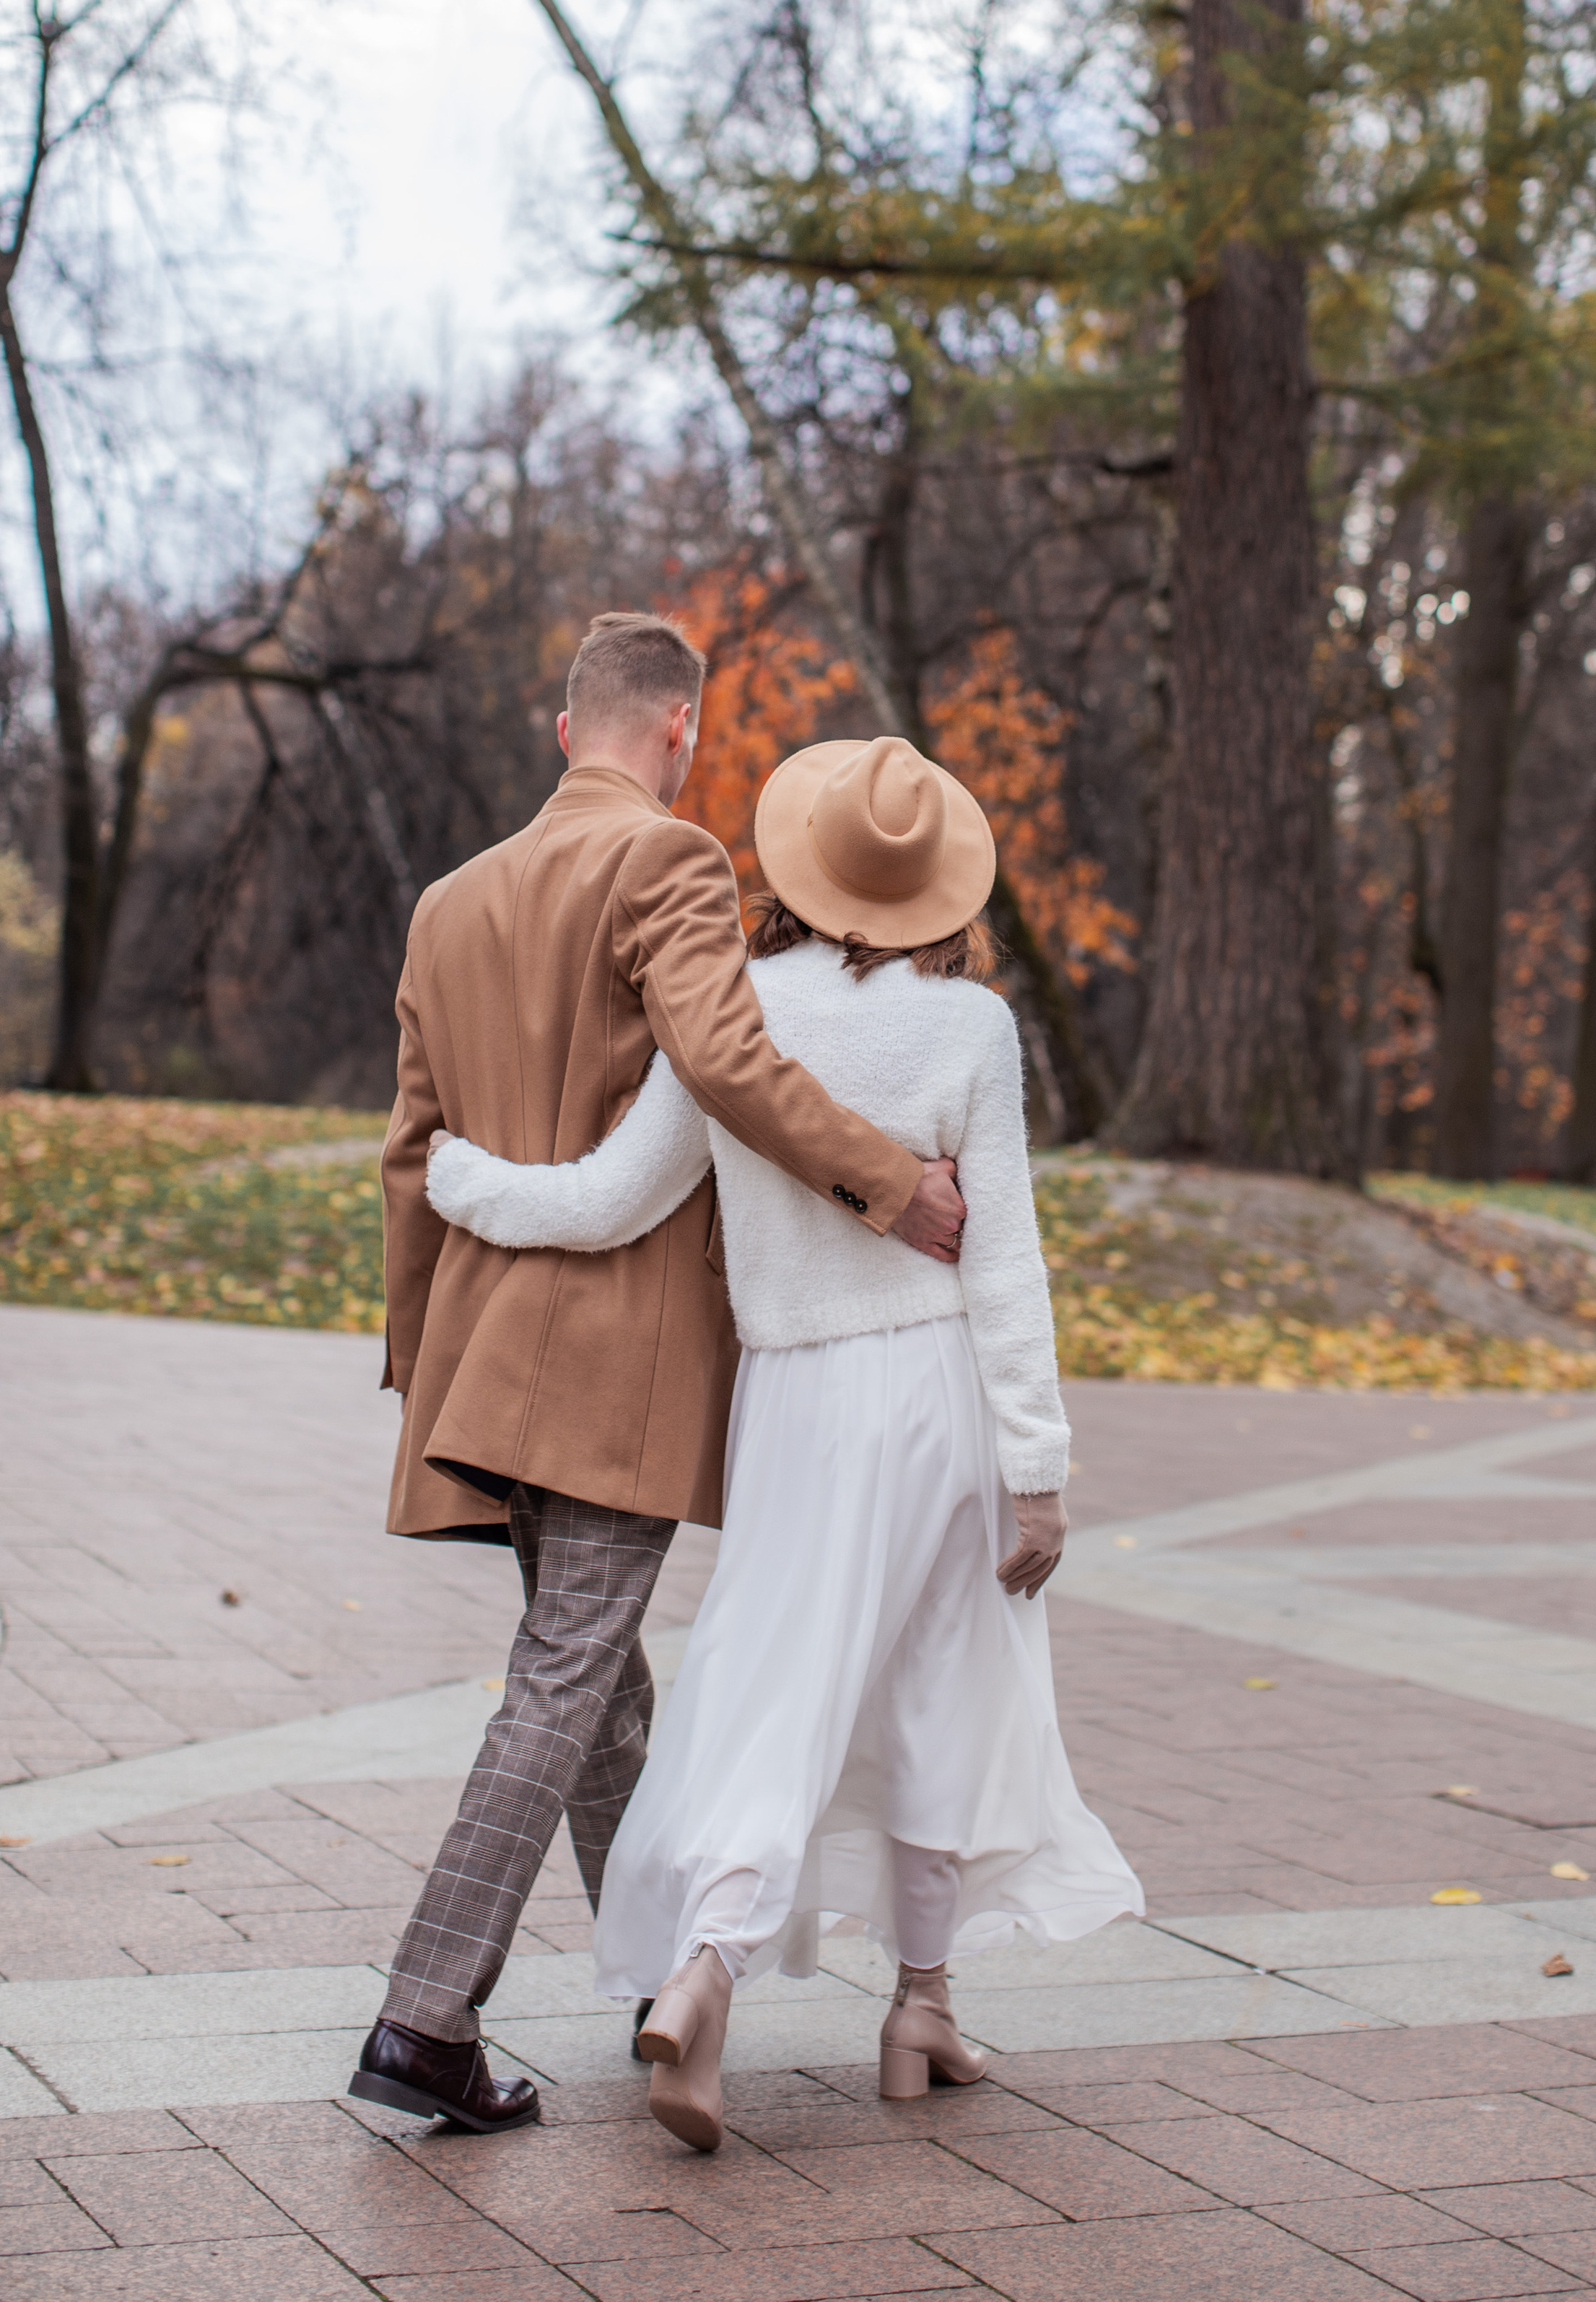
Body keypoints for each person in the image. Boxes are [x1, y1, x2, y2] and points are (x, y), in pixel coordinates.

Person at [427, 731, 1143, 2153]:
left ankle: (707, 1973)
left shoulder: (735, 1013)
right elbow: (1003, 1271)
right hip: (933, 1393)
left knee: (777, 1685)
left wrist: (462, 1178)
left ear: (802, 874)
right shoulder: (968, 1031)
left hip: (792, 1403)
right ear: (937, 886)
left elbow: (609, 1199)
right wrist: (1039, 1472)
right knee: (949, 1678)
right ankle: (915, 2010)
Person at [349, 617, 967, 2135]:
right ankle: (423, 2019)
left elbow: (409, 1158)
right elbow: (728, 1064)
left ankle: (655, 1996)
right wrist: (896, 1186)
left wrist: (420, 1372)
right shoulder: (673, 864)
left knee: (600, 1691)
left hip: (487, 1355)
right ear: (679, 729)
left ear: (568, 732)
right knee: (567, 1682)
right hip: (609, 1366)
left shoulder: (447, 903)